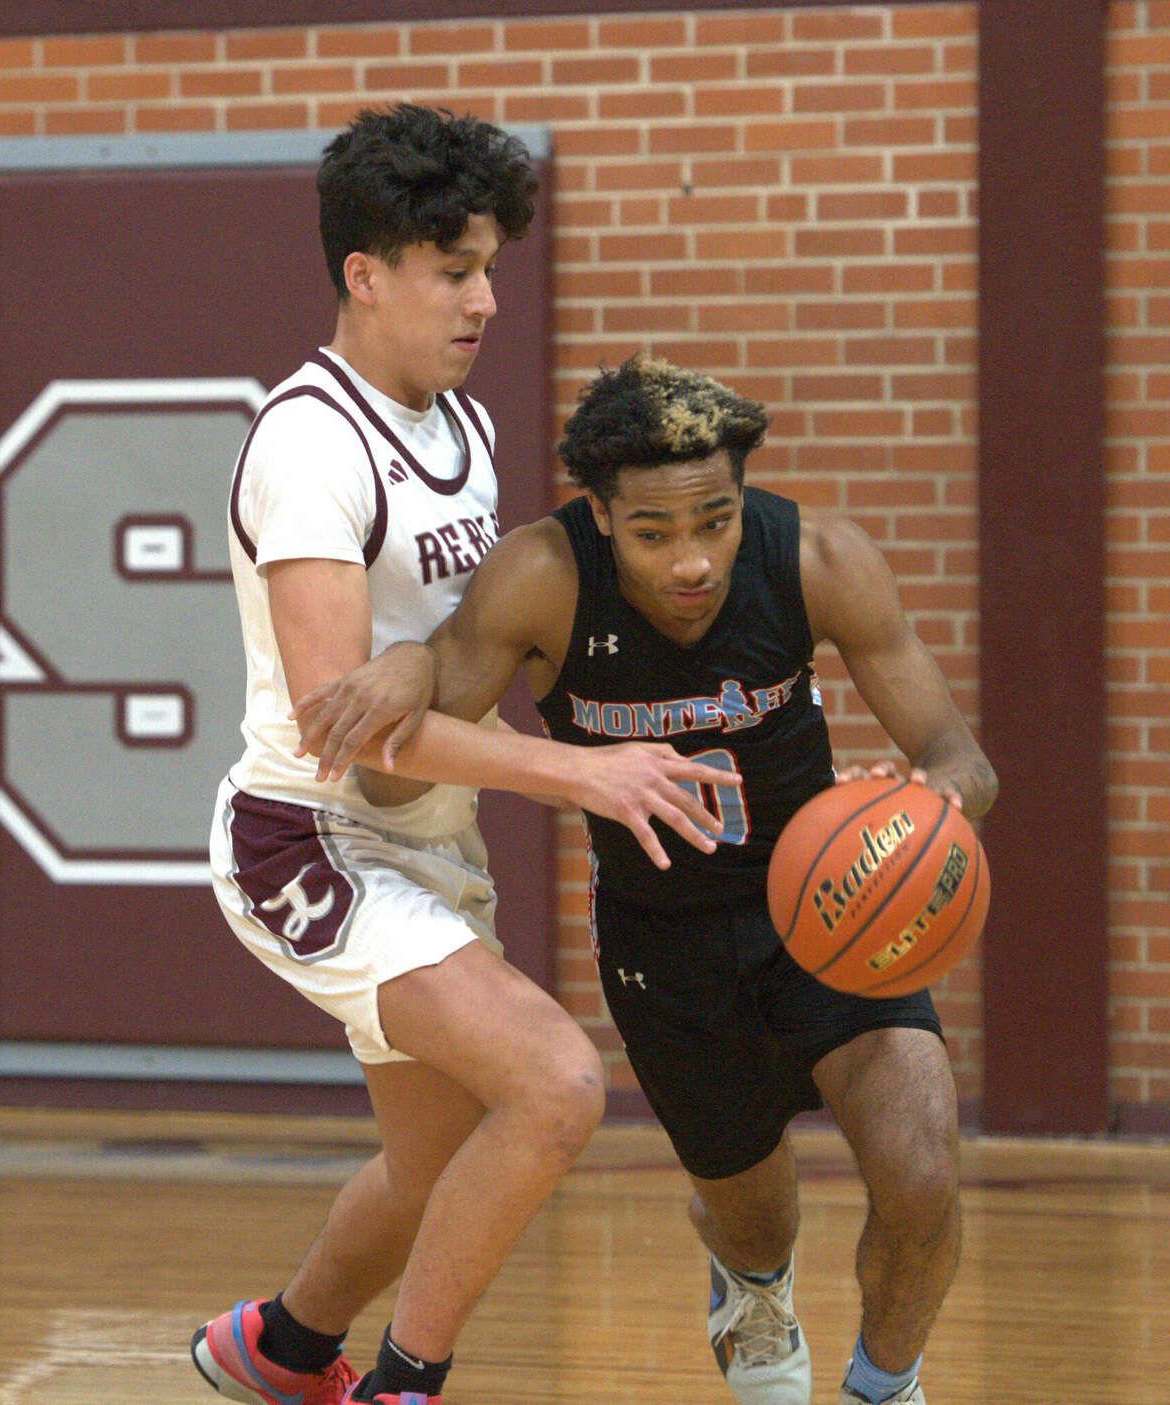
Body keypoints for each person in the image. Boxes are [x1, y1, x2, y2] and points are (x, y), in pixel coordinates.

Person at [293, 355, 999, 1405]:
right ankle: (752, 1283)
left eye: (716, 522)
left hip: (837, 911)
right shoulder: (544, 576)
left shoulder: (820, 558)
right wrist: (413, 667)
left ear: (744, 498)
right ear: (602, 515)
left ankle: (884, 1387)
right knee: (756, 1218)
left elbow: (964, 760)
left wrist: (923, 806)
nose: (692, 561)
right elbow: (393, 784)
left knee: (923, 1177)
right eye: (654, 533)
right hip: (665, 942)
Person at [192, 114, 738, 1405]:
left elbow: (471, 661)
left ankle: (281, 1347)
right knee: (556, 1085)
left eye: (490, 267)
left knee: (432, 1162)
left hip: (431, 830)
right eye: (454, 270)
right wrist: (584, 775)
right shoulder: (313, 444)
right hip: (312, 838)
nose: (486, 299)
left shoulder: (467, 428)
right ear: (365, 273)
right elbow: (344, 722)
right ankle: (405, 1385)